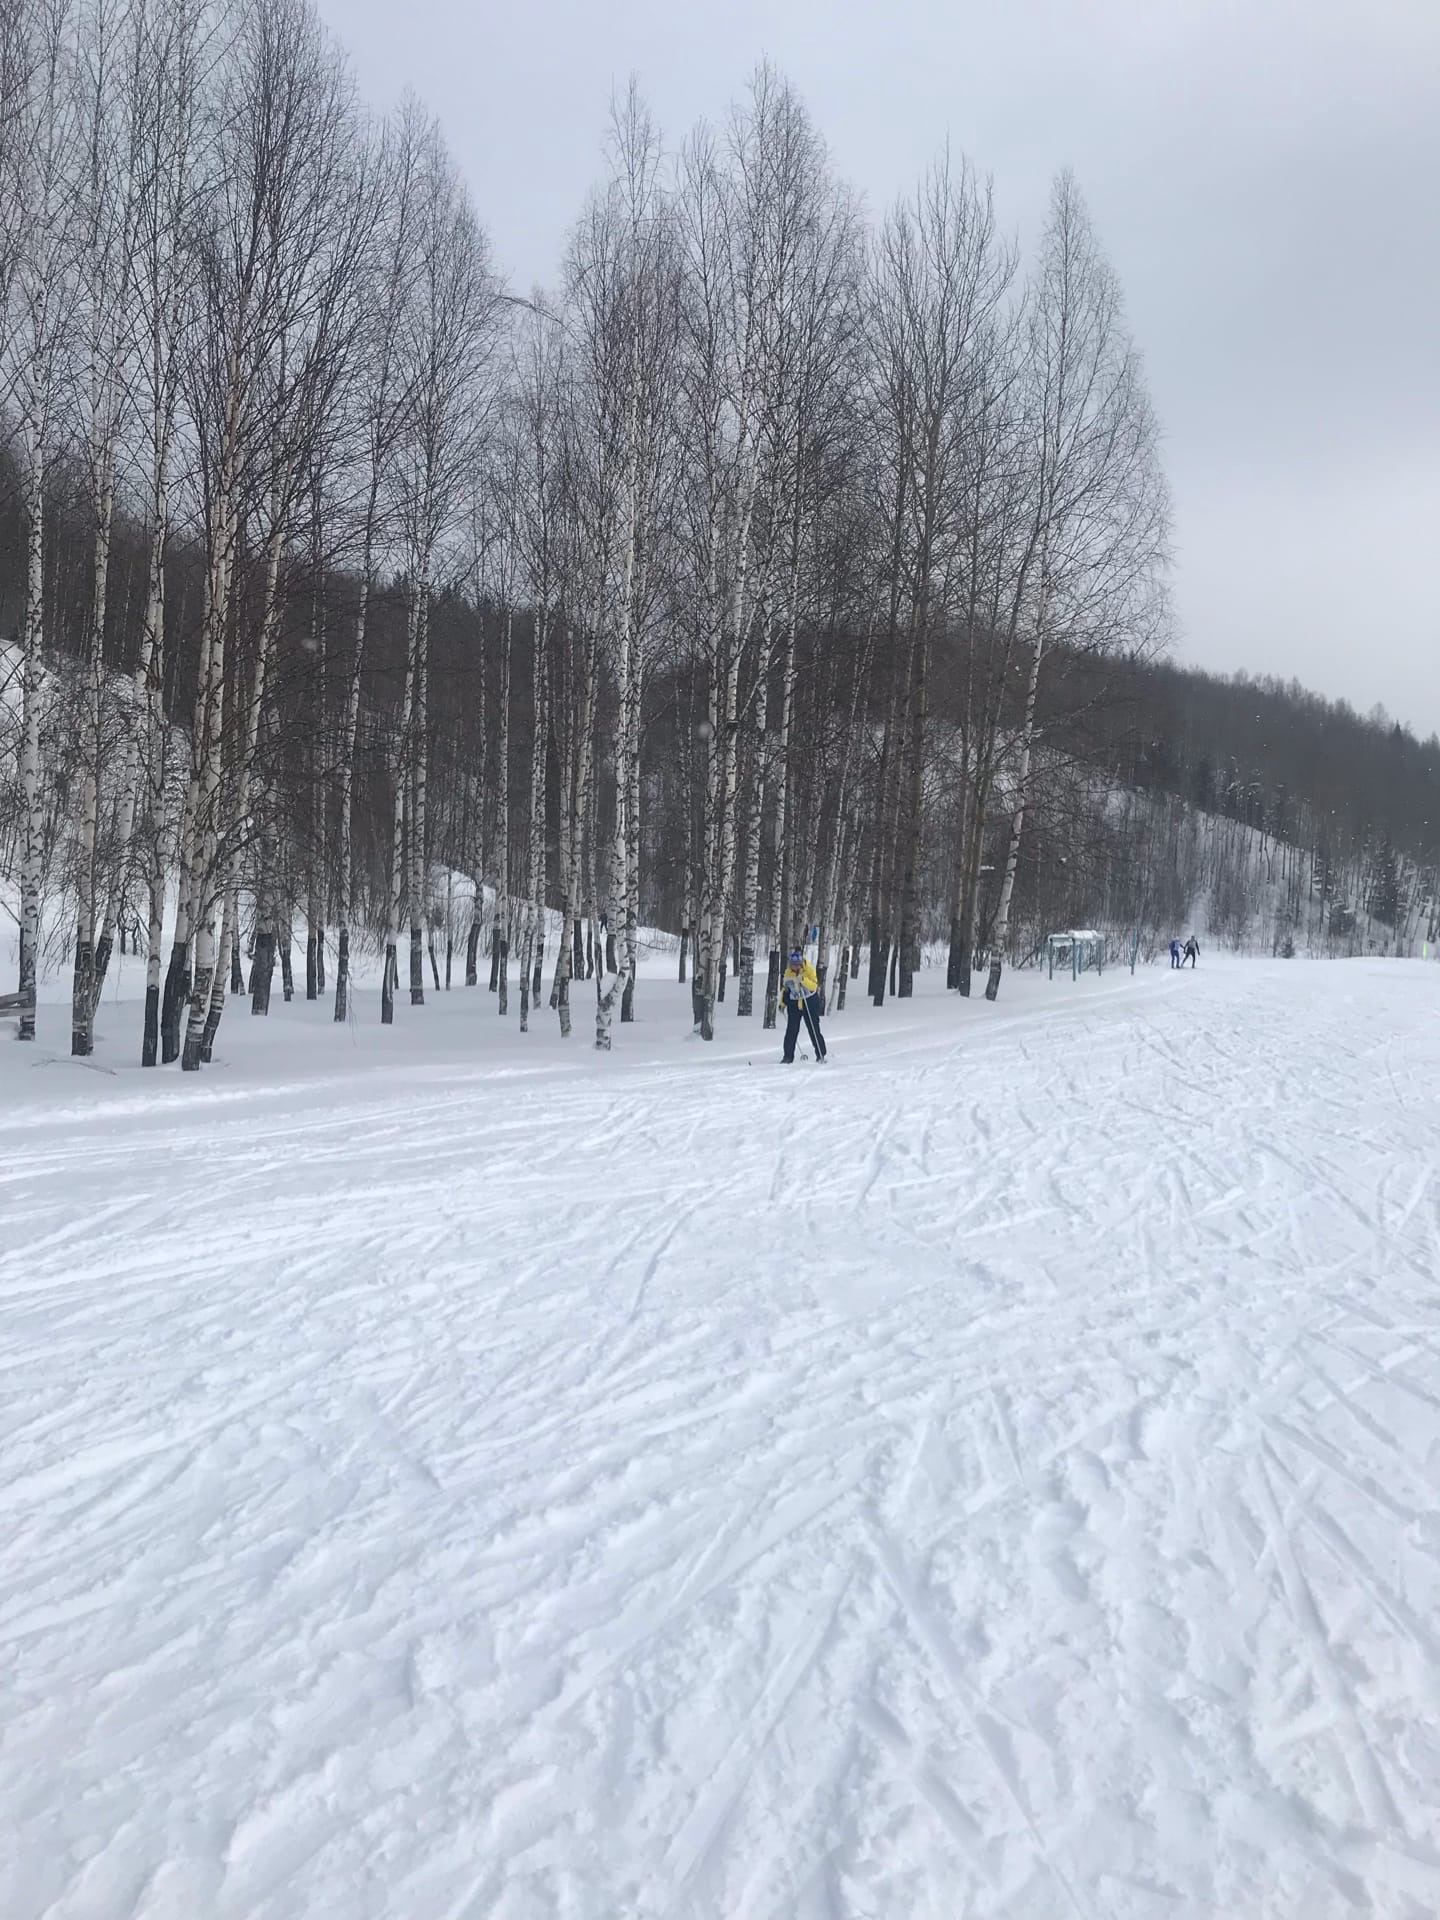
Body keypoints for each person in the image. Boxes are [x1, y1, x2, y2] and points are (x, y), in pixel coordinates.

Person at [780, 947, 827, 1063]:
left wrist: (803, 980)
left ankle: (820, 1054)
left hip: (809, 1001)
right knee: (791, 1030)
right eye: (793, 965)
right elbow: (785, 989)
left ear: (801, 963)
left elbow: (814, 986)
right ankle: (788, 1056)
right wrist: (782, 1003)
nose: (795, 967)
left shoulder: (809, 970)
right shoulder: (788, 972)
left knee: (813, 1028)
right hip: (794, 1003)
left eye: (797, 965)